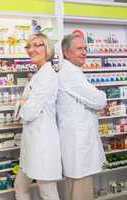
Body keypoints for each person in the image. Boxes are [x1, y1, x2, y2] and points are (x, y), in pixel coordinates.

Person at [57, 31, 107, 200]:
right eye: (79, 48)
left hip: (77, 146)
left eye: (85, 48)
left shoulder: (73, 71)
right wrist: (100, 94)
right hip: (78, 149)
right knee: (80, 193)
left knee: (75, 191)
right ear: (66, 52)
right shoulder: (70, 74)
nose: (84, 52)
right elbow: (100, 101)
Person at [14, 33, 62, 200]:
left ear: (47, 48)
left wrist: (23, 104)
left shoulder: (48, 76)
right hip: (32, 143)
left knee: (48, 193)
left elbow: (28, 113)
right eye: (28, 46)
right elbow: (21, 110)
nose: (31, 50)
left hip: (43, 144)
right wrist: (24, 104)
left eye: (37, 45)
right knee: (20, 187)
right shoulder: (37, 75)